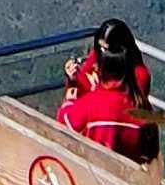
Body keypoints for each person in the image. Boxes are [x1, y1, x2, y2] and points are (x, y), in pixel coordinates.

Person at [58, 18, 159, 162]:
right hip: (100, 135)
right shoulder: (98, 57)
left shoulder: (139, 76)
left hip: (96, 141)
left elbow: (65, 121)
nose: (101, 52)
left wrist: (70, 102)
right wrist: (73, 79)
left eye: (106, 48)